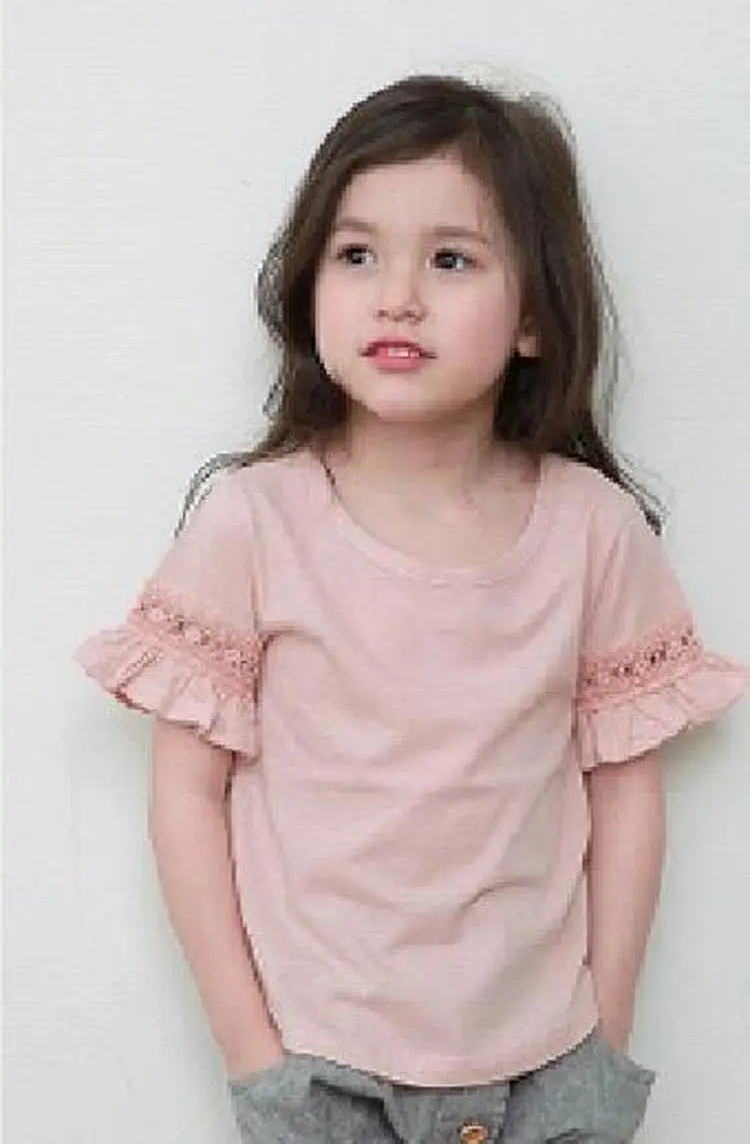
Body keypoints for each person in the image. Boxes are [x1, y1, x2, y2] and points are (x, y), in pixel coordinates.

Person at [75, 74, 747, 1144]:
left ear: (535, 317)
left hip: (549, 1068)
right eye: (357, 254)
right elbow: (186, 796)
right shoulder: (255, 521)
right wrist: (253, 1052)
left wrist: (607, 1038)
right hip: (321, 1069)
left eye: (450, 259)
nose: (396, 296)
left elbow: (626, 794)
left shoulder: (594, 529)